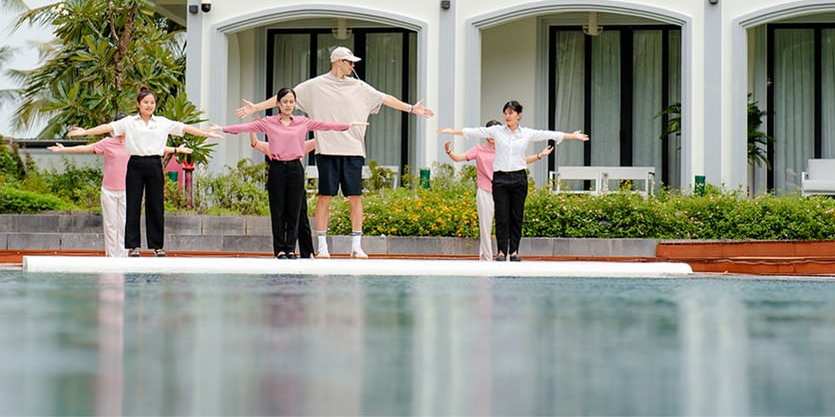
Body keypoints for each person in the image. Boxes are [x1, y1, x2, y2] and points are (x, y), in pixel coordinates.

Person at [235, 45, 434, 259]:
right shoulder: (314, 86)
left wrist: (412, 109)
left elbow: (386, 99)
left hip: (354, 151)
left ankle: (356, 245)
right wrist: (255, 108)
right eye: (350, 62)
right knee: (325, 197)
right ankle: (323, 247)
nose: (353, 65)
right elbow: (283, 98)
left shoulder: (360, 87)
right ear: (338, 62)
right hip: (327, 150)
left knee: (355, 198)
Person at [68, 87, 220, 257]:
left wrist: (205, 133)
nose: (149, 105)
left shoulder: (162, 122)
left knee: (156, 205)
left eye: (152, 102)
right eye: (146, 102)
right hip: (135, 164)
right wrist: (85, 132)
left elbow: (184, 128)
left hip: (155, 164)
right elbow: (107, 127)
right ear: (138, 104)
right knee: (132, 205)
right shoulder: (129, 122)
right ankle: (133, 246)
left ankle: (157, 246)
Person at [212, 87, 363, 258]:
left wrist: (347, 125)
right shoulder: (269, 122)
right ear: (278, 104)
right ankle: (280, 249)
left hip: (295, 169)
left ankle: (291, 248)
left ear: (295, 103)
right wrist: (221, 128)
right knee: (278, 211)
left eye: (291, 101)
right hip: (277, 168)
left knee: (294, 210)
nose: (288, 105)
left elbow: (325, 125)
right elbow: (245, 127)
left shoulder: (302, 122)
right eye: (285, 101)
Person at [440, 100, 588, 261]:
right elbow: (475, 131)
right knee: (502, 216)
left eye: (511, 113)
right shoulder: (497, 131)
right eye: (505, 113)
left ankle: (514, 251)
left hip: (518, 177)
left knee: (517, 216)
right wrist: (452, 131)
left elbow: (547, 133)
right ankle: (502, 252)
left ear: (519, 115)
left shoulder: (526, 133)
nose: (507, 116)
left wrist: (572, 136)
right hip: (501, 178)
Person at [47, 134, 189, 258]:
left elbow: (157, 148)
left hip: (128, 190)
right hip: (108, 190)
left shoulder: (135, 142)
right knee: (110, 224)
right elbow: (87, 148)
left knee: (124, 224)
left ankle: (123, 256)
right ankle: (111, 255)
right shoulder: (107, 142)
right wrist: (63, 149)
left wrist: (177, 150)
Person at [444, 121, 553, 261]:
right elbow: (459, 158)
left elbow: (522, 160)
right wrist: (449, 152)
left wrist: (539, 155)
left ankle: (506, 255)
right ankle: (487, 258)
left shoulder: (507, 148)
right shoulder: (479, 149)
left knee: (506, 222)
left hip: (505, 191)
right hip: (486, 191)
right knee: (485, 226)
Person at [252, 133, 319, 258]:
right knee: (280, 214)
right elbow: (255, 143)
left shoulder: (300, 145)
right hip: (280, 179)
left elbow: (318, 139)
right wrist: (253, 128)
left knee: (300, 216)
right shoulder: (272, 146)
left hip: (295, 182)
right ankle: (282, 249)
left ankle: (306, 251)